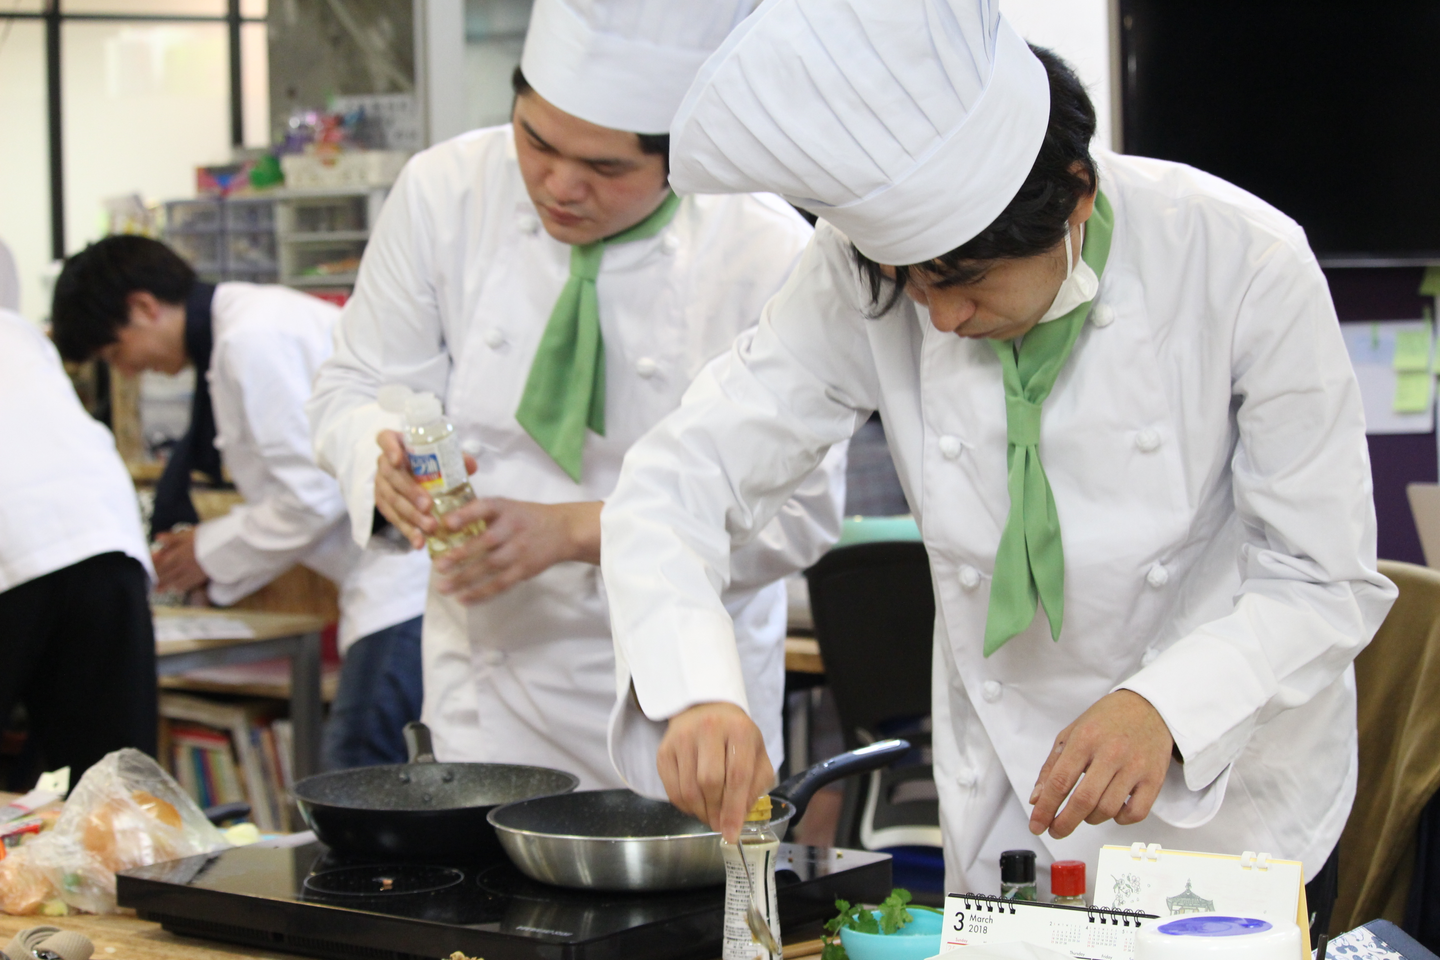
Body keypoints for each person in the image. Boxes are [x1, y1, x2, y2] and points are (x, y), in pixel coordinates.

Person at [598, 0, 1395, 933]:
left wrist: (1166, 705)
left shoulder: (1242, 261)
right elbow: (675, 485)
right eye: (911, 283)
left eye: (965, 281)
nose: (938, 317)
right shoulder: (865, 269)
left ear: (1075, 196)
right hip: (1005, 812)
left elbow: (1322, 577)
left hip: (1225, 816)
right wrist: (695, 687)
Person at [307, 0, 847, 788]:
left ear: (682, 157)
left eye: (607, 168)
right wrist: (375, 457)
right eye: (535, 142)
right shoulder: (443, 192)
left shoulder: (765, 248)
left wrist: (570, 532)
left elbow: (802, 513)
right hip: (485, 688)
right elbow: (354, 385)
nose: (559, 185)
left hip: (686, 701)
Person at [50, 236, 431, 769]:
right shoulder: (239, 333)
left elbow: (311, 496)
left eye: (116, 353)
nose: (129, 370)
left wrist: (205, 552)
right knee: (369, 769)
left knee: (360, 767)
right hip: (388, 569)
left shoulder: (252, 338)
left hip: (404, 572)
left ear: (143, 307)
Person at [0, 307, 156, 780]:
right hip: (103, 531)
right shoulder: (14, 329)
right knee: (112, 786)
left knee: (109, 785)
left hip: (15, 545)